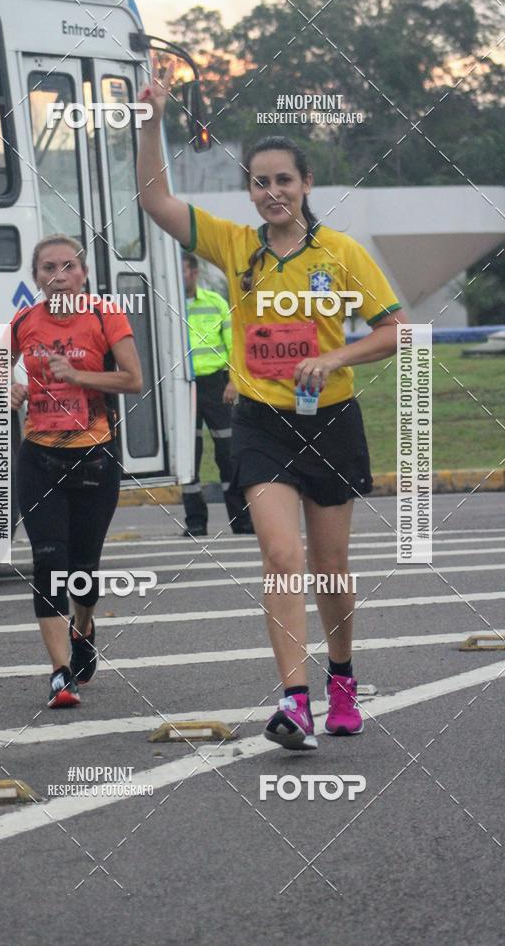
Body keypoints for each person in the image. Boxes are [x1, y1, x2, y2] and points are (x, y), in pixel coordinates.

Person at [137, 62, 408, 750]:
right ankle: (294, 702)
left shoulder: (341, 254)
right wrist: (152, 119)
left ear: (307, 184)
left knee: (331, 569)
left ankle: (341, 679)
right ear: (250, 190)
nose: (273, 191)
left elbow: (393, 331)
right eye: (260, 181)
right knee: (281, 556)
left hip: (331, 420)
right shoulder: (236, 247)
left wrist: (334, 356)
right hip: (261, 422)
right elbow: (154, 200)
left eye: (285, 179)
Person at [9, 235, 142, 708]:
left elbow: (133, 379)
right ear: (37, 277)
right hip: (39, 457)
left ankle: (83, 628)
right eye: (48, 268)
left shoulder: (106, 316)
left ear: (83, 275)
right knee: (48, 561)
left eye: (68, 266)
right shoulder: (24, 321)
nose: (58, 275)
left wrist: (79, 376)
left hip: (94, 456)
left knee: (84, 569)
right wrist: (10, 387)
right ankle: (59, 673)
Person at [182, 251, 254, 536]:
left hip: (216, 386)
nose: (181, 276)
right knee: (190, 457)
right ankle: (195, 523)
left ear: (195, 272)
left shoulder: (215, 303)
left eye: (184, 271)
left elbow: (235, 344)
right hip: (183, 387)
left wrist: (233, 381)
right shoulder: (166, 306)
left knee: (228, 454)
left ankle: (241, 521)